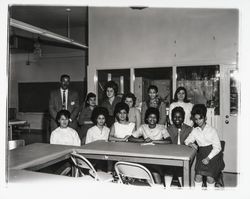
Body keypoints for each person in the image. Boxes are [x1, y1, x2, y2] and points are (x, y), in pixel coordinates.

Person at [184, 104, 225, 188]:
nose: (198, 121)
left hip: (213, 155)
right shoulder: (195, 130)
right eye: (196, 119)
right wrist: (191, 143)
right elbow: (186, 140)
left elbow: (218, 147)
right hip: (201, 155)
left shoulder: (212, 130)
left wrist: (208, 158)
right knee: (198, 177)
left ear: (205, 118)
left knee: (210, 178)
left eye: (200, 118)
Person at [128, 107, 171, 184]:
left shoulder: (161, 127)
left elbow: (169, 141)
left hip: (158, 154)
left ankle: (158, 185)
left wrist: (153, 141)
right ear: (147, 118)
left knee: (154, 170)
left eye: (154, 117)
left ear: (157, 119)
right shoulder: (143, 127)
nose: (152, 119)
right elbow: (131, 138)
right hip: (145, 154)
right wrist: (143, 140)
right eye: (150, 117)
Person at [165, 106, 193, 187]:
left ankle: (183, 187)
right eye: (175, 117)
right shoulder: (168, 129)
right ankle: (167, 187)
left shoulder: (189, 129)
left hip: (184, 156)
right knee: (168, 168)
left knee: (181, 169)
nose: (177, 119)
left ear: (183, 118)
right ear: (172, 118)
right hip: (171, 155)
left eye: (180, 117)